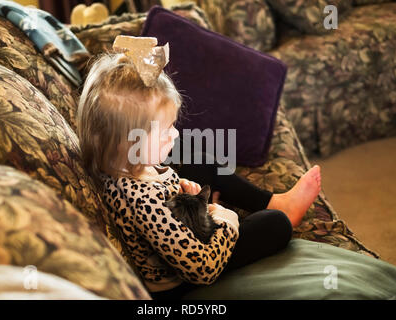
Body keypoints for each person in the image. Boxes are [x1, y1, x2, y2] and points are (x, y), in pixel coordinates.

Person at [77, 36, 322, 300]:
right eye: (165, 131)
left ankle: (274, 201)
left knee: (198, 160)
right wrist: (226, 222)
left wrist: (182, 191)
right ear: (127, 141)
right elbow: (201, 268)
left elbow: (162, 195)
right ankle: (277, 212)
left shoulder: (124, 162)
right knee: (275, 225)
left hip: (181, 228)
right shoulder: (139, 199)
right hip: (182, 280)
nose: (174, 135)